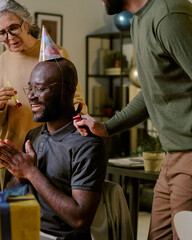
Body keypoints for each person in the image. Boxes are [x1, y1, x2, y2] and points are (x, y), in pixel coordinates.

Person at [74, 0, 192, 239]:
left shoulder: (168, 14)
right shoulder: (138, 22)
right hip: (172, 156)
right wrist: (106, 128)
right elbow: (151, 92)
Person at [0, 58, 108, 239]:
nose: (31, 96)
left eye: (40, 89)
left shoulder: (87, 144)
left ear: (68, 90)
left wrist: (31, 172)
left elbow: (80, 220)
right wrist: (19, 172)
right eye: (30, 88)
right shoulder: (34, 136)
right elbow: (8, 199)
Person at [0, 0, 88, 191]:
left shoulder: (55, 53)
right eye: (1, 33)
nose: (9, 37)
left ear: (26, 23)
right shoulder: (1, 62)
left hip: (50, 156)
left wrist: (78, 119)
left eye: (13, 28)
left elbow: (77, 102)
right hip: (12, 157)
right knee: (9, 218)